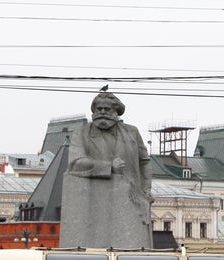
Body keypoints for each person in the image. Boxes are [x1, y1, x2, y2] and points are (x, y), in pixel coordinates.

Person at [59, 91, 153, 249]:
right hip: (95, 205)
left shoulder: (132, 132)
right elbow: (75, 163)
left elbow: (145, 162)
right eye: (98, 109)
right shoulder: (81, 133)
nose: (102, 112)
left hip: (131, 202)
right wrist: (109, 166)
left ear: (116, 112)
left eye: (107, 109)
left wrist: (146, 190)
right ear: (93, 111)